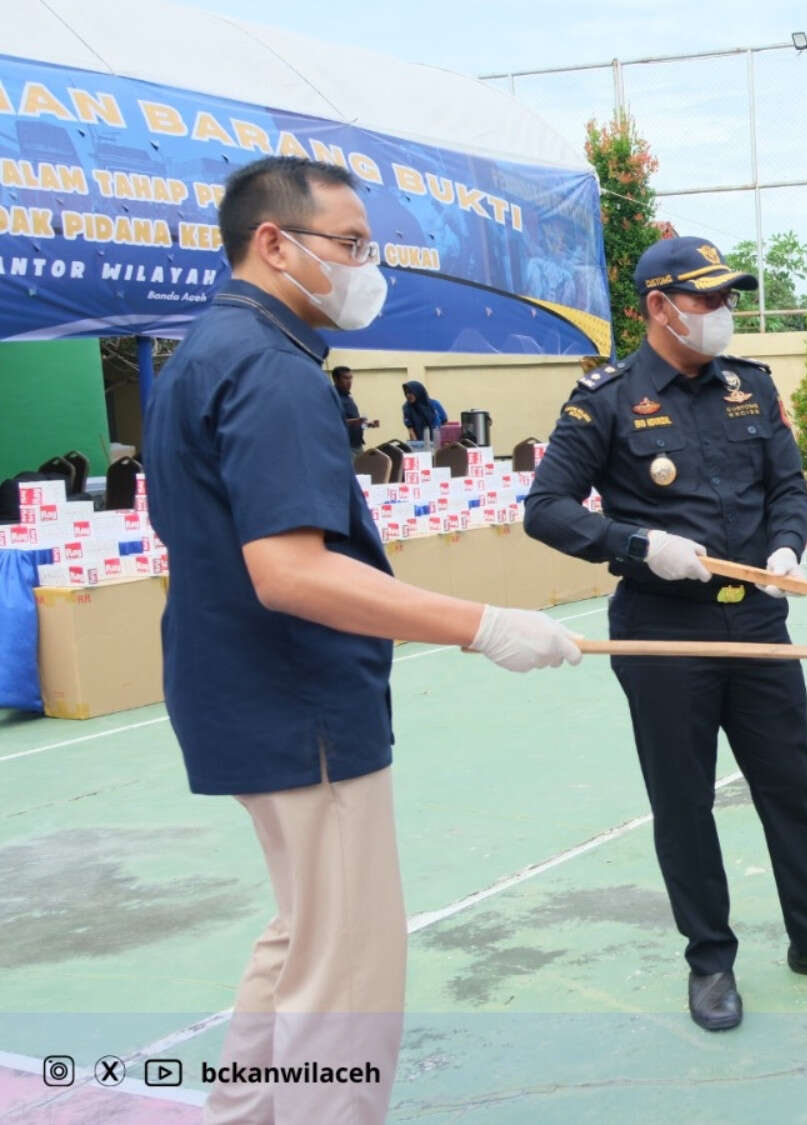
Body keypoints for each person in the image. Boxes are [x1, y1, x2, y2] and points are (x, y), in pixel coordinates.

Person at [141, 156, 581, 1125]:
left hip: (241, 692)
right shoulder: (273, 370)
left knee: (305, 933)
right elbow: (290, 571)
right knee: (346, 976)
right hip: (301, 706)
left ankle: (245, 1112)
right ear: (273, 243)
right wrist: (483, 625)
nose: (362, 268)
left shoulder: (203, 351)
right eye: (347, 245)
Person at [525, 235, 807, 1033]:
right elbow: (546, 507)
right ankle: (711, 960)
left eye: (729, 298)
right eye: (707, 299)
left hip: (757, 617)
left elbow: (788, 487)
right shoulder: (607, 398)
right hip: (665, 629)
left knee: (788, 782)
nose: (724, 312)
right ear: (658, 307)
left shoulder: (751, 388)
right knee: (684, 799)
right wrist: (636, 545)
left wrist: (789, 545)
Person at [330, 365, 378, 452]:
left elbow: (356, 423)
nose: (349, 382)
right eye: (345, 378)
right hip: (345, 447)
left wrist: (369, 425)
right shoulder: (332, 397)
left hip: (357, 445)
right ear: (335, 379)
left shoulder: (348, 397)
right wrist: (355, 421)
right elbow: (333, 422)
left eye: (350, 378)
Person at [401, 379, 447, 444]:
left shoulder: (434, 404)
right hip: (420, 445)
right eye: (406, 393)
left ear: (418, 391)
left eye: (410, 392)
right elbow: (411, 431)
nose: (408, 395)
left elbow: (445, 423)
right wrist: (417, 447)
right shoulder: (407, 408)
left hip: (438, 443)